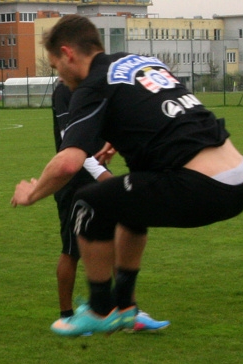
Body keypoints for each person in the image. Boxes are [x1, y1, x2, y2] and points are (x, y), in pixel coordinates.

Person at [11, 15, 243, 336]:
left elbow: (68, 164)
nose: (60, 76)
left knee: (88, 203)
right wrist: (118, 136)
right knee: (128, 205)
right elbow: (159, 107)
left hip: (201, 186)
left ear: (68, 53)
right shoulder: (139, 62)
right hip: (238, 180)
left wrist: (33, 192)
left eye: (55, 67)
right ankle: (125, 306)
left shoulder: (93, 85)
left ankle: (100, 310)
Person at [51, 81, 169, 332]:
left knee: (118, 242)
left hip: (100, 179)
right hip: (74, 183)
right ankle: (67, 316)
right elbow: (70, 144)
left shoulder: (92, 89)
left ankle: (128, 312)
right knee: (72, 249)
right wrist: (106, 177)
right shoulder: (64, 90)